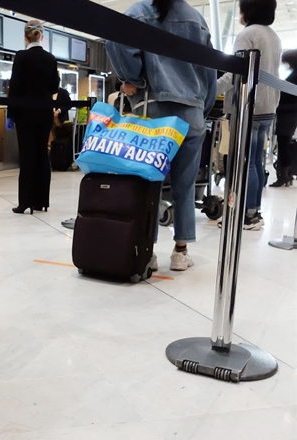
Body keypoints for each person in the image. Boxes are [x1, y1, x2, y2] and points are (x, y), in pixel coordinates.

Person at [106, 0, 217, 272]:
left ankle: (147, 250)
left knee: (148, 185)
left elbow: (115, 41)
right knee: (185, 186)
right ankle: (180, 252)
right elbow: (210, 72)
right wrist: (203, 106)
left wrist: (132, 78)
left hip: (154, 111)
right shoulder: (197, 19)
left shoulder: (140, 12)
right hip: (192, 112)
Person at [217, 0, 281, 228]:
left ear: (247, 10)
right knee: (256, 161)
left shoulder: (247, 34)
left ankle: (246, 214)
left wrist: (209, 90)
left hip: (248, 107)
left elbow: (235, 73)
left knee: (245, 163)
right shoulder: (274, 36)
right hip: (268, 108)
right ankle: (254, 213)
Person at [8, 20, 60, 214]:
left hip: (25, 113)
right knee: (41, 155)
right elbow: (54, 86)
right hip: (45, 111)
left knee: (27, 156)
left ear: (25, 37)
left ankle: (25, 202)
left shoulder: (21, 57)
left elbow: (15, 86)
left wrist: (11, 113)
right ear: (42, 36)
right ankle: (41, 201)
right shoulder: (50, 58)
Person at [270, 49, 297, 187]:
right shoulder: (294, 75)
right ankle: (287, 174)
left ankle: (284, 175)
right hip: (290, 114)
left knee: (283, 144)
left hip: (288, 114)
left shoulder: (295, 76)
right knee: (284, 144)